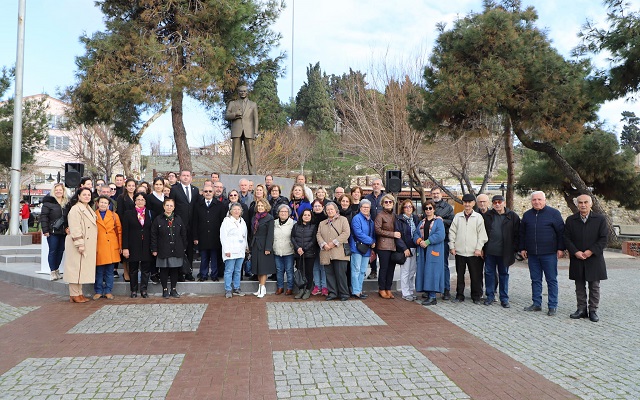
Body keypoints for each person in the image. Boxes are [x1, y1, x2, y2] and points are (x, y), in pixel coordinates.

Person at [519, 191, 565, 316]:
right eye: (534, 200)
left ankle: (552, 305)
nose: (537, 202)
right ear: (531, 201)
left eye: (539, 199)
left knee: (551, 280)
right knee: (535, 280)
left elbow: (561, 232)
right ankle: (536, 303)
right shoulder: (527, 215)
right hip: (532, 254)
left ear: (544, 200)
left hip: (549, 253)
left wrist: (561, 248)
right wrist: (522, 248)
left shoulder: (554, 213)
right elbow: (522, 233)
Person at [564, 194, 608, 322]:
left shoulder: (600, 219)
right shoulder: (571, 220)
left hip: (594, 258)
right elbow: (566, 238)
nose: (583, 205)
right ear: (577, 204)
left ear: (591, 203)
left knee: (594, 286)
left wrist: (591, 251)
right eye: (580, 202)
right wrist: (575, 252)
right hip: (577, 257)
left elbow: (604, 239)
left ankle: (593, 310)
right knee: (579, 285)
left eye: (585, 202)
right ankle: (581, 309)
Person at [482, 195, 520, 308]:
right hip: (490, 251)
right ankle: (490, 296)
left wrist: (515, 249)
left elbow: (518, 234)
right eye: (495, 202)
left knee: (504, 274)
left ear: (504, 203)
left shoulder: (512, 216)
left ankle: (504, 298)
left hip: (505, 252)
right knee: (489, 274)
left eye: (499, 202)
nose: (497, 204)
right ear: (492, 204)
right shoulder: (487, 216)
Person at [449, 193, 488, 304]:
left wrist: (478, 248)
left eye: (469, 202)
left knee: (475, 275)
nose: (467, 204)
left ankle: (476, 296)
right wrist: (452, 246)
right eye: (465, 202)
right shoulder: (458, 216)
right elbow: (452, 232)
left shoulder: (478, 217)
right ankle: (459, 295)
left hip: (474, 252)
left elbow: (482, 235)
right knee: (460, 275)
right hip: (460, 251)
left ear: (473, 203)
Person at [63, 188, 97, 303]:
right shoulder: (75, 209)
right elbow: (75, 228)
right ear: (78, 196)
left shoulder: (88, 208)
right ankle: (74, 294)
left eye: (89, 195)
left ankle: (79, 293)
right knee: (75, 268)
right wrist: (79, 244)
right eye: (84, 194)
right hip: (77, 243)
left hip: (86, 243)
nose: (87, 196)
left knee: (81, 269)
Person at [151, 198, 187, 298]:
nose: (169, 207)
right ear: (163, 206)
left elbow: (183, 233)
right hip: (163, 248)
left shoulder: (178, 218)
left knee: (174, 270)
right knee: (164, 270)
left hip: (176, 248)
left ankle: (173, 289)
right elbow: (153, 235)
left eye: (171, 206)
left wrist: (184, 246)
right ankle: (165, 290)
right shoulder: (158, 219)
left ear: (174, 207)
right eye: (167, 205)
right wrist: (154, 249)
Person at [121, 192, 154, 297]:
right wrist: (125, 247)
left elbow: (153, 231)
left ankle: (144, 290)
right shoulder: (128, 213)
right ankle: (133, 290)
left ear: (145, 201)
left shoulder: (150, 213)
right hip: (133, 245)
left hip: (146, 245)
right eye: (138, 199)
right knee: (133, 269)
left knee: (145, 269)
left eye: (142, 200)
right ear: (135, 201)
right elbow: (125, 232)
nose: (140, 202)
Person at [317, 202, 351, 301]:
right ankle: (332, 292)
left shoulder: (343, 220)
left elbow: (346, 233)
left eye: (331, 209)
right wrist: (324, 244)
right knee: (329, 273)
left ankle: (344, 293)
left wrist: (333, 243)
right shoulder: (322, 223)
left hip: (339, 251)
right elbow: (318, 235)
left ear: (336, 210)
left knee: (341, 274)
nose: (329, 211)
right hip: (326, 252)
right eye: (328, 209)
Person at [414, 200, 446, 305]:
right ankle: (427, 293)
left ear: (434, 209)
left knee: (432, 272)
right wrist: (419, 241)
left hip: (433, 250)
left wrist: (428, 241)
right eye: (426, 208)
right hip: (423, 250)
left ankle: (433, 297)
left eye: (430, 208)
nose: (428, 210)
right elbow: (416, 234)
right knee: (424, 271)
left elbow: (441, 235)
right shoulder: (421, 222)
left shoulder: (438, 222)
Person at [192, 184, 226, 282]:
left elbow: (222, 223)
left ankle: (214, 275)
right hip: (202, 236)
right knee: (204, 257)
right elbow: (195, 222)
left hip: (215, 237)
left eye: (210, 191)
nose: (208, 193)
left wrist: (222, 237)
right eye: (206, 191)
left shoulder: (220, 205)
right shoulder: (198, 205)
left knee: (214, 257)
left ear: (213, 192)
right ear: (203, 193)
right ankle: (203, 275)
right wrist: (195, 237)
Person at [169, 170, 198, 280]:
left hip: (192, 225)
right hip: (179, 225)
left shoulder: (195, 190)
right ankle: (180, 273)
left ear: (191, 177)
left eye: (188, 176)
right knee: (180, 249)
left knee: (190, 251)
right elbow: (172, 207)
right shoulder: (175, 190)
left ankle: (189, 272)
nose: (186, 177)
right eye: (184, 176)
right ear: (180, 177)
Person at [226, 85, 259, 174]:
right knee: (235, 154)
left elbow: (256, 119)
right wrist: (235, 114)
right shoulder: (232, 103)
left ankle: (252, 172)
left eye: (244, 91)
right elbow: (227, 116)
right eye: (241, 91)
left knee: (251, 154)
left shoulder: (253, 104)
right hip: (237, 131)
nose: (243, 93)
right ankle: (233, 172)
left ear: (247, 92)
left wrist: (256, 132)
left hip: (249, 131)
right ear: (238, 92)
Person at [94, 195, 122, 300]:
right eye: (101, 202)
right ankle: (98, 291)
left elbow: (119, 231)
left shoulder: (114, 215)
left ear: (108, 205)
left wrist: (120, 246)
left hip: (111, 246)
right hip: (99, 245)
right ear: (97, 203)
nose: (103, 204)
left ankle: (108, 291)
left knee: (110, 271)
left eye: (105, 203)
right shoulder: (93, 215)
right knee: (99, 271)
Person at [40, 183, 68, 280]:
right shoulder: (48, 203)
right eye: (56, 190)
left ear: (63, 191)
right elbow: (43, 217)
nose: (58, 191)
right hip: (52, 232)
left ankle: (57, 270)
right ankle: (52, 271)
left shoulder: (66, 203)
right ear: (53, 191)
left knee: (60, 251)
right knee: (53, 251)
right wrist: (45, 230)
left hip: (63, 232)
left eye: (60, 190)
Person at [374, 194, 400, 299]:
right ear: (382, 204)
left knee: (391, 269)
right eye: (386, 202)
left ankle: (388, 288)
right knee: (384, 268)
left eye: (390, 202)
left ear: (393, 203)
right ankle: (382, 289)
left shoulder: (395, 215)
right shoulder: (380, 215)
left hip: (394, 245)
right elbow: (377, 230)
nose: (388, 204)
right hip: (383, 245)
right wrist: (392, 234)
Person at [220, 202, 248, 298]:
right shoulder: (226, 221)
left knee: (238, 270)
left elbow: (245, 235)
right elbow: (223, 236)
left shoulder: (242, 221)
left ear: (241, 211)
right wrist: (226, 250)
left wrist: (246, 247)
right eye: (234, 209)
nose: (236, 211)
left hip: (240, 250)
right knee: (229, 270)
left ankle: (237, 288)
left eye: (238, 209)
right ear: (230, 211)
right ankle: (228, 289)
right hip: (230, 251)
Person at [431, 187, 454, 300]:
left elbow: (453, 222)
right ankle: (431, 289)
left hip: (443, 241)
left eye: (437, 193)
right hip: (429, 241)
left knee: (444, 265)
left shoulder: (448, 207)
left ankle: (446, 290)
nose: (435, 195)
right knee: (431, 265)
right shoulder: (429, 206)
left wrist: (442, 220)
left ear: (441, 194)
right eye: (433, 193)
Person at [349, 199, 375, 299]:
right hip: (357, 247)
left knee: (363, 271)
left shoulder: (371, 221)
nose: (365, 209)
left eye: (367, 207)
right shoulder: (357, 218)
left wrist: (373, 242)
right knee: (356, 270)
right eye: (364, 207)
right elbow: (358, 233)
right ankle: (355, 291)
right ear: (360, 208)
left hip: (366, 249)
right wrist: (371, 241)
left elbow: (373, 234)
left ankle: (359, 290)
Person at [395, 199, 421, 301]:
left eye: (410, 206)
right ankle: (405, 293)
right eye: (406, 207)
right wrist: (404, 248)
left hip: (415, 247)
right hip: (405, 248)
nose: (408, 208)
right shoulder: (399, 219)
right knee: (405, 271)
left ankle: (411, 290)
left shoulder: (415, 218)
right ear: (403, 209)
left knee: (412, 271)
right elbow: (398, 236)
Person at [250, 198, 276, 298]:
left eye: (262, 206)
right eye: (259, 206)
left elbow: (270, 234)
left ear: (266, 207)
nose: (260, 207)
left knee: (263, 268)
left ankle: (263, 288)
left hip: (264, 245)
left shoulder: (269, 218)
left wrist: (268, 248)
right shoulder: (255, 217)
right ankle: (260, 288)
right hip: (256, 244)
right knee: (258, 267)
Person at [291, 209, 317, 300]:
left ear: (311, 216)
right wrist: (298, 248)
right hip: (299, 254)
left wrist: (304, 249)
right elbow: (293, 237)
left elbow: (314, 240)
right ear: (302, 216)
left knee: (309, 272)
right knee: (300, 271)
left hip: (309, 253)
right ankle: (301, 289)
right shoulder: (296, 226)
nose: (306, 216)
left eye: (308, 215)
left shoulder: (314, 227)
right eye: (305, 215)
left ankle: (308, 290)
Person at [116, 178, 137, 281]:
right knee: (125, 249)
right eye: (129, 185)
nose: (131, 187)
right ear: (126, 186)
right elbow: (119, 212)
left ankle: (132, 271)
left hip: (136, 226)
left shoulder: (138, 197)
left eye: (133, 185)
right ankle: (125, 271)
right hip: (125, 225)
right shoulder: (121, 197)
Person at [273, 205, 296, 295]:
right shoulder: (274, 223)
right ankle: (280, 287)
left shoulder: (293, 223)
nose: (283, 213)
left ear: (289, 213)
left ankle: (290, 288)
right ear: (278, 213)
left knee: (289, 270)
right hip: (277, 250)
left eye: (285, 212)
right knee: (279, 270)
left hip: (289, 251)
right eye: (281, 211)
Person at [365, 178, 385, 280]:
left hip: (383, 229)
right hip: (370, 228)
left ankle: (382, 271)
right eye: (374, 184)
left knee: (382, 250)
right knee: (372, 251)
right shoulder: (367, 198)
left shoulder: (385, 197)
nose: (376, 186)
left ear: (381, 185)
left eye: (378, 184)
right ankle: (373, 271)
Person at [310, 199, 328, 296]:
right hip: (312, 246)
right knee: (315, 267)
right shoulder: (310, 217)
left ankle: (324, 286)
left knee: (323, 267)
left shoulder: (326, 218)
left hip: (323, 245)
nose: (317, 208)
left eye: (319, 206)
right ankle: (317, 286)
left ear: (323, 207)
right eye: (315, 206)